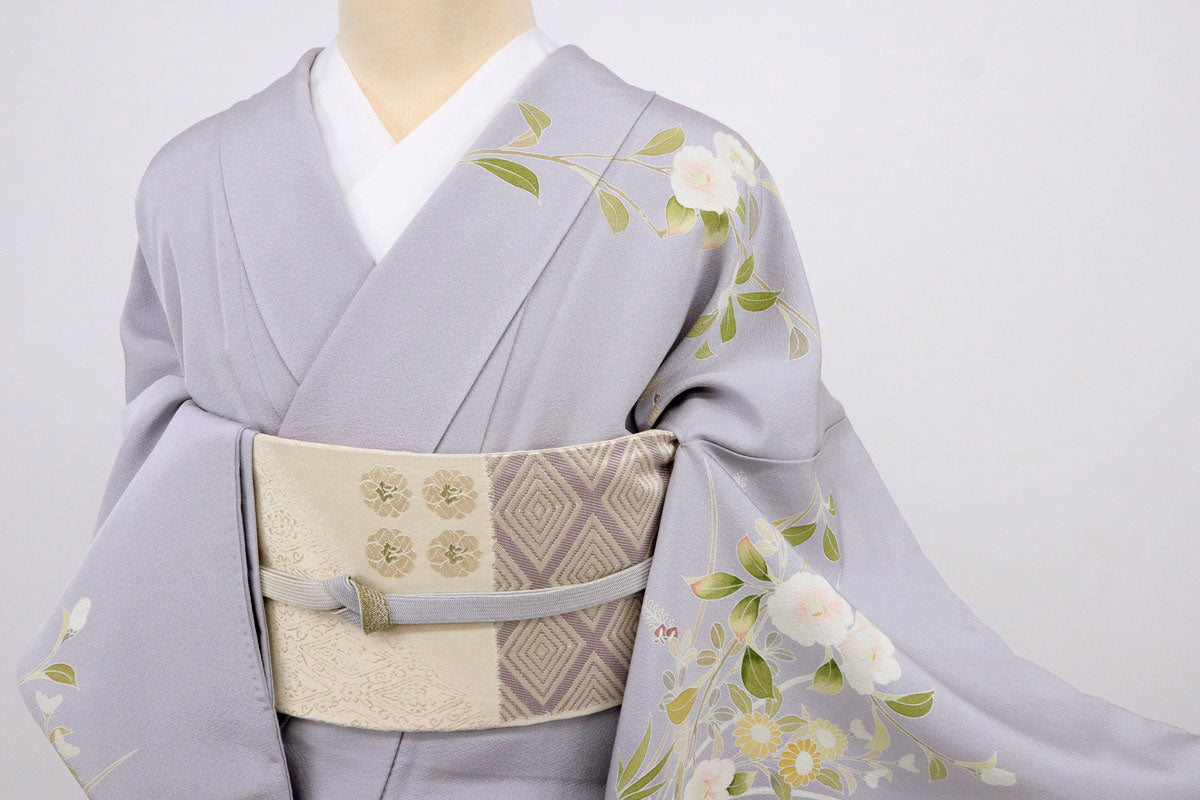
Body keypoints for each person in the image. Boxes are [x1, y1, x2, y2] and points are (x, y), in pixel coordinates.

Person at [17, 4, 1200, 799]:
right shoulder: (193, 183)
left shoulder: (691, 177)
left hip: (575, 764)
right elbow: (166, 513)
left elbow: (759, 508)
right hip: (274, 760)